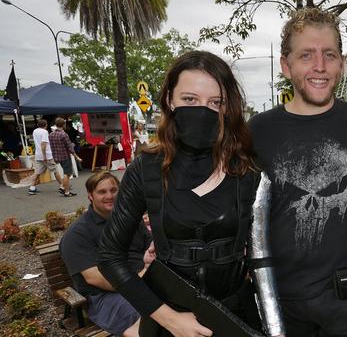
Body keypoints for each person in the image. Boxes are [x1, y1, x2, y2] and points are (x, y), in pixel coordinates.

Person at [97, 51, 284, 337]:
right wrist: (170, 320)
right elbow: (110, 256)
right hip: (168, 321)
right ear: (170, 100)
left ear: (226, 108)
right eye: (189, 99)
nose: (202, 111)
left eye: (214, 102)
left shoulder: (248, 172)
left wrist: (275, 331)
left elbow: (261, 259)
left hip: (234, 317)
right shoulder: (146, 169)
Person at [248, 8, 347, 336]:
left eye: (330, 55)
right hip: (281, 299)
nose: (319, 66)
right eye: (306, 55)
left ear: (342, 63)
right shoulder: (257, 131)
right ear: (286, 64)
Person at [60, 171, 153, 336]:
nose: (109, 196)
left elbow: (152, 247)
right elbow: (95, 278)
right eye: (102, 192)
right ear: (90, 196)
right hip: (106, 297)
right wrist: (141, 279)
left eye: (114, 190)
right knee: (153, 317)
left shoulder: (130, 219)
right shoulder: (77, 233)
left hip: (146, 281)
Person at [49, 117, 83, 197]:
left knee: (66, 173)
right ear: (63, 124)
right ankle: (65, 190)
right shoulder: (64, 134)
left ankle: (63, 188)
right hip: (65, 156)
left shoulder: (51, 134)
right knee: (67, 174)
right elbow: (69, 147)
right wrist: (77, 156)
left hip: (57, 157)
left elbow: (52, 146)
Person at [28, 119, 63, 195]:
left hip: (38, 155)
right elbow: (43, 144)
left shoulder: (35, 131)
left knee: (37, 172)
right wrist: (44, 156)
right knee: (55, 170)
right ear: (46, 125)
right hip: (46, 155)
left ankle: (32, 188)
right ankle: (62, 186)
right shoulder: (44, 132)